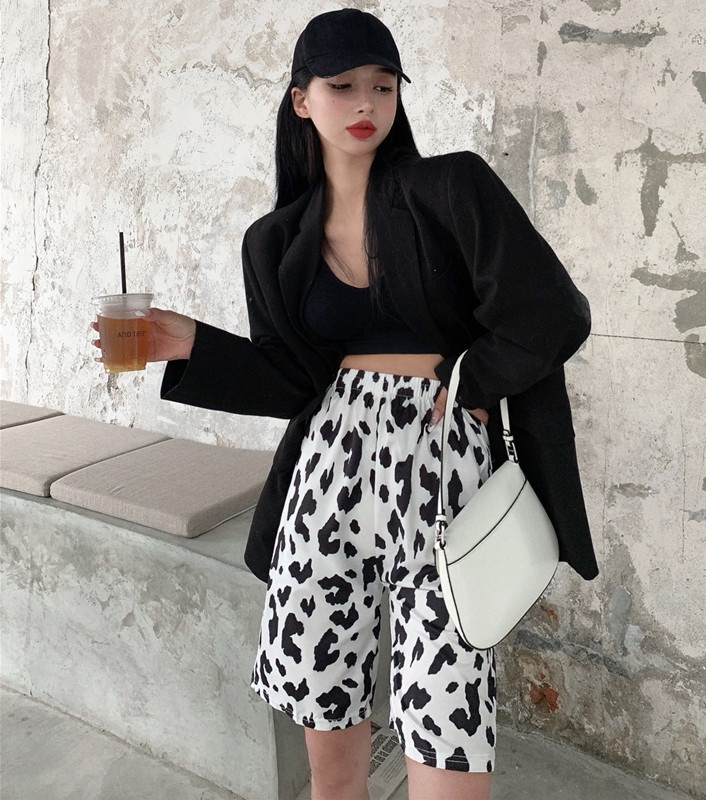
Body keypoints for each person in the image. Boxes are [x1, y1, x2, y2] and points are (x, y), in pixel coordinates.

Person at [93, 9, 598, 799]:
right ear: (302, 100)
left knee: (448, 713)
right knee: (325, 729)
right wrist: (190, 342)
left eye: (383, 85)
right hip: (328, 468)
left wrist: (474, 382)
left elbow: (555, 312)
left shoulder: (451, 187)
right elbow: (292, 382)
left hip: (439, 466)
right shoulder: (273, 241)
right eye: (343, 85)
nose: (366, 102)